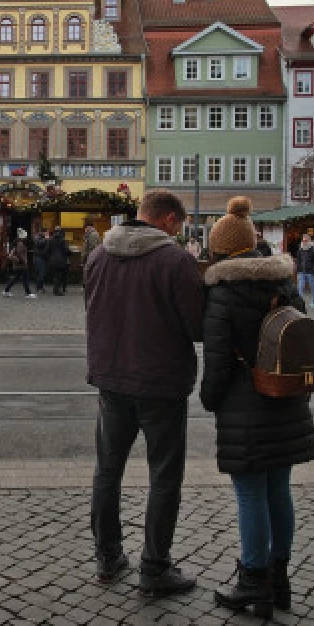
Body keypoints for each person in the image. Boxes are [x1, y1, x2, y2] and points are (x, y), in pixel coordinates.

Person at [200, 197, 314, 618]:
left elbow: (216, 364)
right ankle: (280, 579)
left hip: (244, 405)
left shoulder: (223, 295)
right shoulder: (283, 284)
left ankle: (254, 580)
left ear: (220, 250)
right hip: (286, 399)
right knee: (278, 490)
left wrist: (209, 400)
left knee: (250, 494)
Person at [85, 190, 205, 597]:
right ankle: (154, 567)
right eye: (180, 224)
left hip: (111, 377)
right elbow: (198, 327)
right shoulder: (175, 260)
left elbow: (91, 307)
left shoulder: (99, 255)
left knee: (107, 470)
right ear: (169, 220)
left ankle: (107, 556)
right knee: (164, 476)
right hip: (161, 382)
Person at [2, 229, 36, 298]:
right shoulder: (20, 244)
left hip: (18, 265)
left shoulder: (17, 242)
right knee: (25, 279)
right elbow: (17, 254)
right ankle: (28, 293)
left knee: (16, 278)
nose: (26, 237)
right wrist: (21, 260)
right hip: (21, 264)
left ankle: (6, 290)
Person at [294, 235, 314, 309]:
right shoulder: (300, 249)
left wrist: (313, 270)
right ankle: (299, 303)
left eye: (306, 240)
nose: (304, 242)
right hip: (301, 271)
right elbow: (298, 259)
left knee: (313, 288)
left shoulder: (313, 249)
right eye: (303, 240)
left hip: (310, 272)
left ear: (309, 241)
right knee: (300, 287)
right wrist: (298, 268)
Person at [48, 227, 72, 296]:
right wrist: (70, 253)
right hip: (60, 260)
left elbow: (48, 250)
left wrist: (50, 257)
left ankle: (55, 289)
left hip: (52, 260)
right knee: (59, 275)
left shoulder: (50, 239)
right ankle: (56, 291)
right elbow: (66, 250)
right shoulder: (62, 240)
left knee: (55, 275)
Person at [33, 228, 50, 294]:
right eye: (47, 232)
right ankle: (39, 288)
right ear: (43, 232)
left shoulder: (43, 238)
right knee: (41, 273)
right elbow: (38, 244)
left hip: (43, 258)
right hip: (38, 258)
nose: (48, 234)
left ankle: (41, 287)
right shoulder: (38, 237)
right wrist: (46, 239)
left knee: (42, 273)